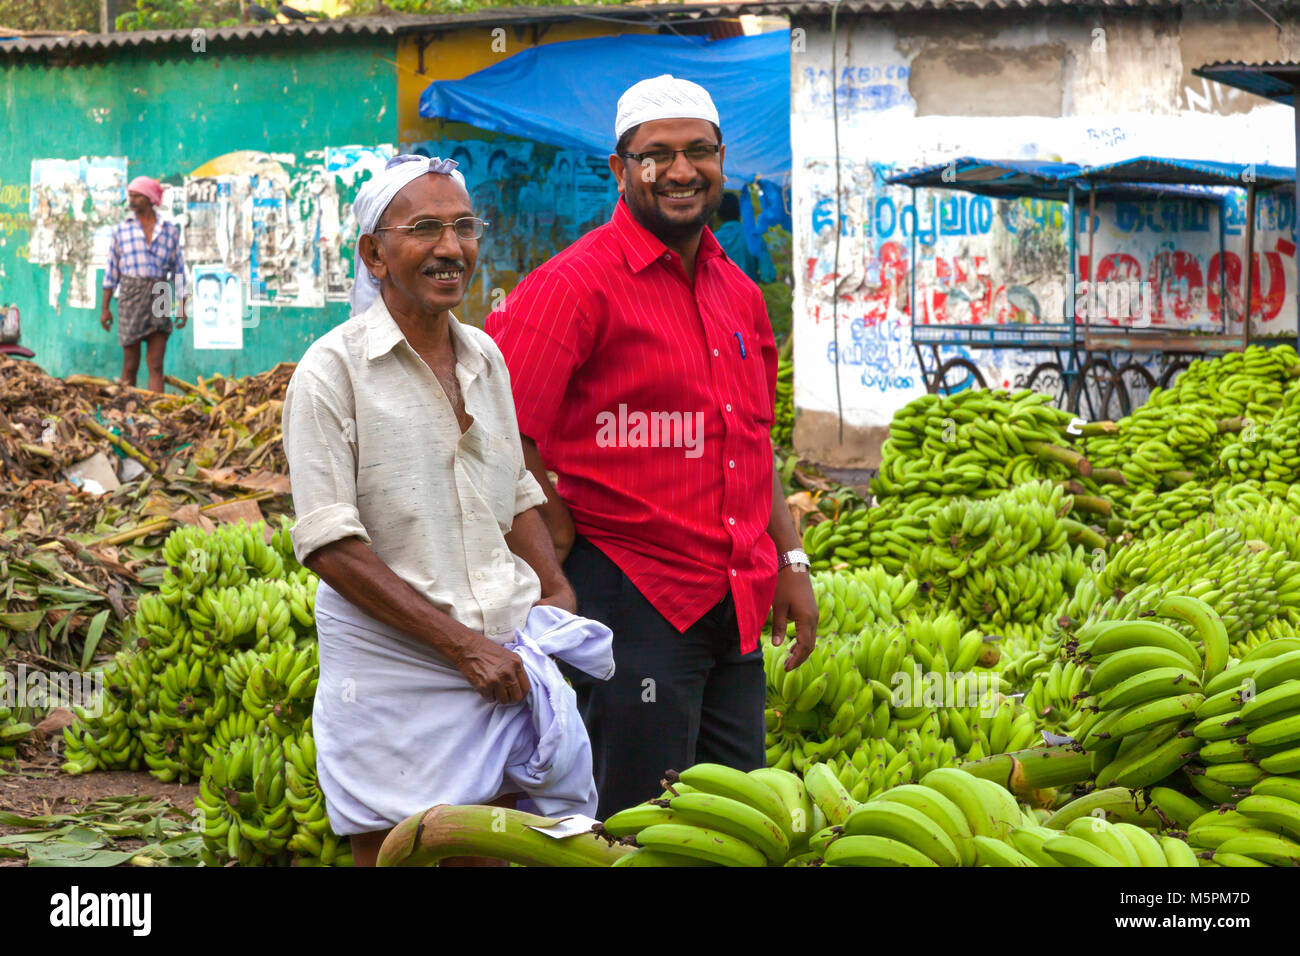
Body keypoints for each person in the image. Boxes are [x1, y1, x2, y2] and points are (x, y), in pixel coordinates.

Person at [486, 74, 819, 819]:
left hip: (732, 599)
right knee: (638, 822)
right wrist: (555, 536)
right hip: (630, 601)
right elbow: (494, 427)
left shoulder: (736, 291)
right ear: (619, 167)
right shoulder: (572, 287)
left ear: (722, 161)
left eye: (697, 150)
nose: (679, 170)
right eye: (655, 154)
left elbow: (751, 438)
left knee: (734, 818)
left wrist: (790, 559)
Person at [280, 155, 603, 868]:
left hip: (498, 651)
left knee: (496, 845)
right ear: (374, 254)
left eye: (462, 227)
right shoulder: (330, 373)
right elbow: (330, 546)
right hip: (397, 665)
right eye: (423, 228)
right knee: (397, 848)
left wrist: (553, 585)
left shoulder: (484, 355)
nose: (451, 248)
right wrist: (461, 646)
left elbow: (512, 486)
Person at [100, 176, 187, 392]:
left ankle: (155, 414)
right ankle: (125, 411)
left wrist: (182, 306)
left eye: (136, 195)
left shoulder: (169, 232)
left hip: (161, 292)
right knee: (130, 363)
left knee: (156, 364)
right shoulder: (121, 230)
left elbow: (178, 272)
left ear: (149, 198)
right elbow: (111, 271)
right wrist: (105, 308)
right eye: (130, 195)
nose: (132, 199)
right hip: (131, 294)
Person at [715, 191, 776, 284]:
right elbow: (768, 275)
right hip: (748, 296)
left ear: (718, 214)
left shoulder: (711, 240)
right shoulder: (754, 237)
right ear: (740, 212)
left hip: (719, 297)